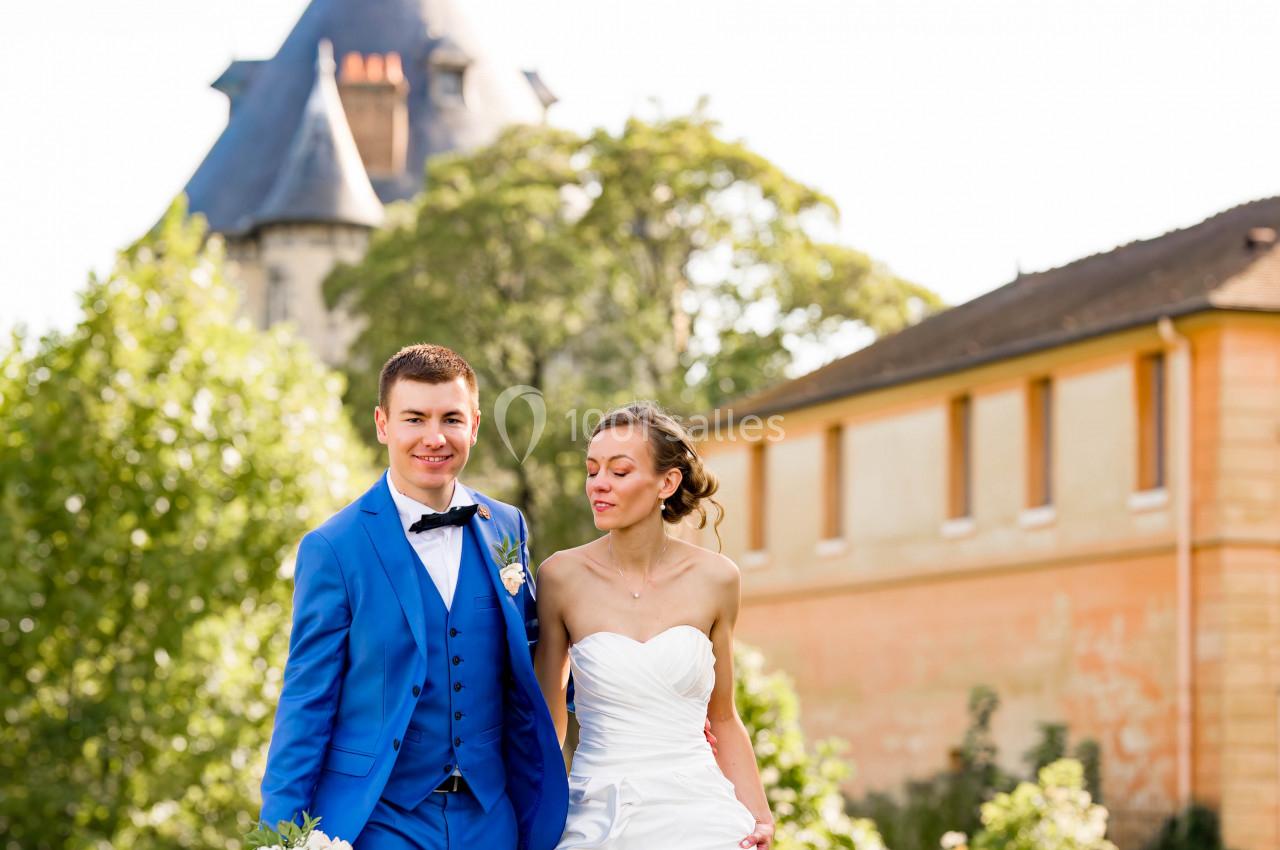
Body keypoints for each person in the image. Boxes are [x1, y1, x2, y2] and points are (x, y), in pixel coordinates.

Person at [259, 344, 568, 850]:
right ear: (383, 424)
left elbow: (537, 653)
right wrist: (278, 837)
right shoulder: (333, 549)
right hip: (380, 819)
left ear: (474, 425)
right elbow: (306, 701)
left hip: (493, 817)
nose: (434, 437)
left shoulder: (506, 527)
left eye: (450, 418)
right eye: (414, 418)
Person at [534, 402, 776, 850]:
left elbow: (722, 717)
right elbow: (549, 724)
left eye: (619, 472)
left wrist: (758, 815)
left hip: (701, 815)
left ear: (667, 482)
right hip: (597, 816)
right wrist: (531, 818)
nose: (598, 485)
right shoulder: (560, 577)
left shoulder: (717, 579)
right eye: (592, 471)